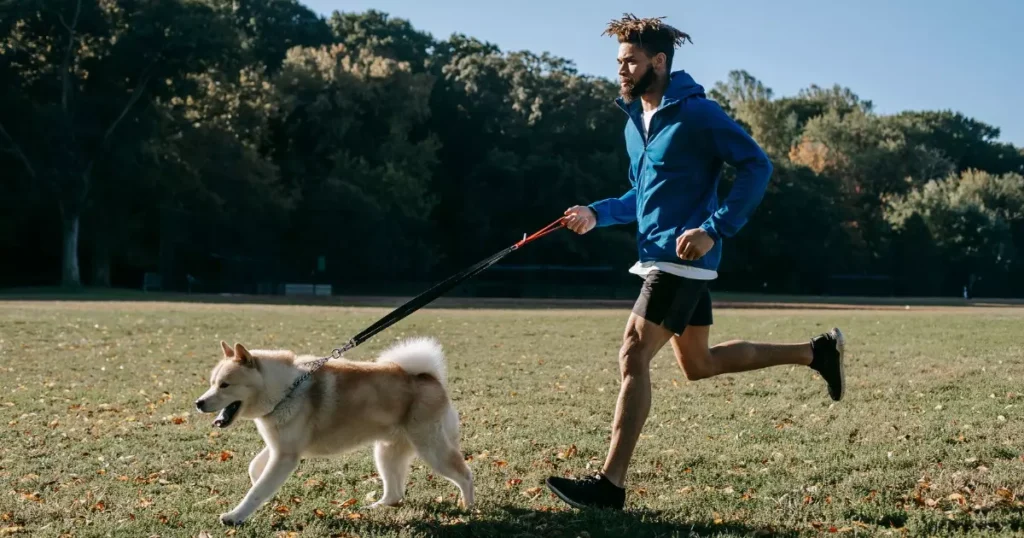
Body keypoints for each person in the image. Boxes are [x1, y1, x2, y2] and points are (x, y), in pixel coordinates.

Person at [544, 14, 847, 511]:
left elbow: (757, 164)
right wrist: (595, 214)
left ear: (658, 62)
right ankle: (816, 352)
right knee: (698, 364)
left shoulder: (698, 114)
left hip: (680, 259)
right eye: (619, 62)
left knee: (633, 354)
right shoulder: (636, 122)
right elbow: (641, 197)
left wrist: (715, 228)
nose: (621, 71)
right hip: (660, 256)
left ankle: (609, 485)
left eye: (631, 62)